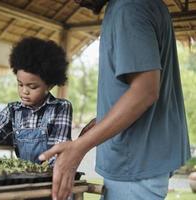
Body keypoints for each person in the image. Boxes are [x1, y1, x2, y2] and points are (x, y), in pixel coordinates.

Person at [39, 0, 191, 199]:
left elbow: (145, 91)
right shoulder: (144, 4)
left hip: (134, 165)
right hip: (142, 162)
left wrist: (79, 147)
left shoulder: (128, 8)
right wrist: (103, 119)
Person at [0, 37, 72, 164]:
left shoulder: (60, 107)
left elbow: (59, 150)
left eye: (32, 87)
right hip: (26, 175)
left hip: (54, 174)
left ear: (50, 85)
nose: (24, 91)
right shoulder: (13, 110)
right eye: (20, 84)